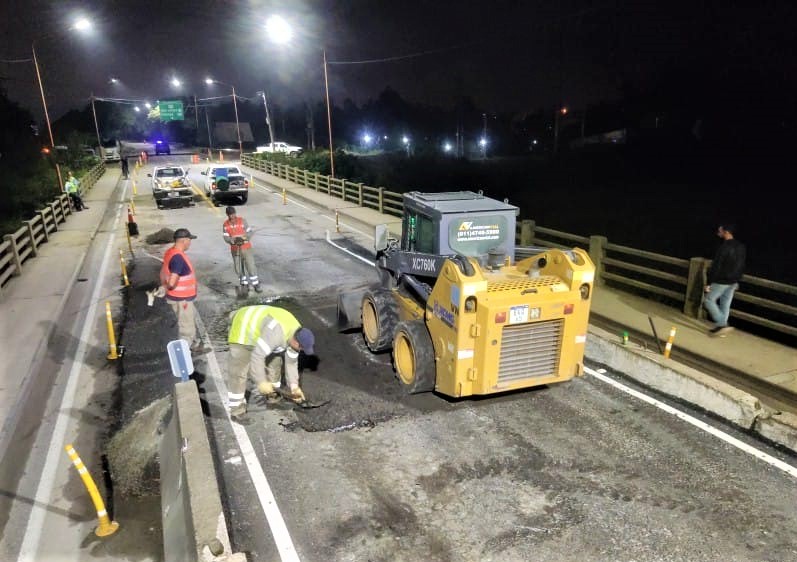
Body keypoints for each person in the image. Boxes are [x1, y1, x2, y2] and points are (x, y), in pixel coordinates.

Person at [226, 305, 315, 419]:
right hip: (244, 329)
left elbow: (291, 363)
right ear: (295, 341)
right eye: (301, 348)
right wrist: (261, 382)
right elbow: (257, 356)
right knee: (239, 373)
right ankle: (237, 410)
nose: (301, 350)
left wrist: (294, 387)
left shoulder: (297, 334)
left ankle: (273, 397)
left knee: (275, 364)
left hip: (266, 333)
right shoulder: (276, 333)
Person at [160, 228, 205, 353]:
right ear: (184, 241)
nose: (190, 243)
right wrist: (168, 287)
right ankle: (183, 355)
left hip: (177, 297)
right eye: (189, 240)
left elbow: (163, 272)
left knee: (190, 320)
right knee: (186, 327)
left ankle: (194, 344)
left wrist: (164, 286)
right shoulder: (178, 258)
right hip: (182, 299)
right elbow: (172, 281)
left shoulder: (170, 252)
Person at [704, 223, 746, 337]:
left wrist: (709, 282)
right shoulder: (741, 247)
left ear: (726, 232)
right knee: (725, 304)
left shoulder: (724, 247)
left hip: (722, 280)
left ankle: (722, 324)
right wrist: (737, 280)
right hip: (733, 281)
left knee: (708, 300)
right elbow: (741, 265)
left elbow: (717, 266)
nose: (718, 232)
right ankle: (721, 330)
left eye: (720, 231)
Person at [222, 206, 262, 294]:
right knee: (238, 268)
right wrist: (231, 241)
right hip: (235, 249)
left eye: (233, 214)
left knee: (250, 266)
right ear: (227, 215)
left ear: (235, 213)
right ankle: (244, 283)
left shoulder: (242, 221)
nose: (232, 216)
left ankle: (256, 284)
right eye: (230, 214)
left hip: (246, 248)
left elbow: (250, 232)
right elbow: (225, 237)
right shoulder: (225, 224)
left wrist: (245, 238)